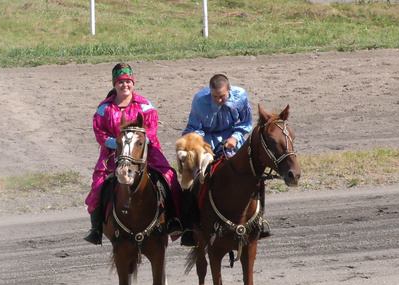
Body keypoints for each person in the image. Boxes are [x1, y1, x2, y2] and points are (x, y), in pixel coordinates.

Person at [83, 63, 182, 245]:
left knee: (169, 177)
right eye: (120, 82)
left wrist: (139, 142)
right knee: (98, 186)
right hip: (113, 155)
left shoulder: (145, 106)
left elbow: (151, 131)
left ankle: (174, 219)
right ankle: (96, 228)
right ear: (114, 84)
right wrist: (116, 143)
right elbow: (100, 132)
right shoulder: (104, 108)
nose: (125, 85)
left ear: (133, 83)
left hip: (145, 152)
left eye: (128, 81)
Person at [179, 74, 270, 246]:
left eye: (222, 96)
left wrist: (235, 137)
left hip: (233, 140)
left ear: (229, 90)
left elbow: (245, 123)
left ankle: (259, 220)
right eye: (215, 97)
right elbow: (194, 127)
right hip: (206, 139)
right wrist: (202, 146)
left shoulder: (241, 95)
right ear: (209, 92)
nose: (219, 100)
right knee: (190, 178)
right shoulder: (199, 100)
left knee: (256, 175)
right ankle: (190, 227)